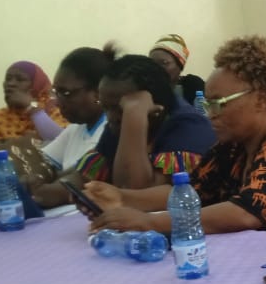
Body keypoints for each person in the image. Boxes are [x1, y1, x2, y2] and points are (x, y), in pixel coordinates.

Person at [88, 36, 266, 237]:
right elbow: (189, 193)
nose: (210, 114)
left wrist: (149, 221)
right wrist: (122, 198)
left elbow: (246, 213)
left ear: (260, 100)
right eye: (208, 104)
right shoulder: (231, 147)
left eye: (219, 103)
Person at [74, 54, 215, 188]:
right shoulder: (117, 123)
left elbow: (133, 188)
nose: (110, 118)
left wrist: (134, 115)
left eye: (120, 109)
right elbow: (84, 178)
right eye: (105, 107)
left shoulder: (189, 125)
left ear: (155, 107)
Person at [30, 46, 116, 207]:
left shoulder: (110, 131)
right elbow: (40, 163)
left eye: (66, 93)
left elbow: (73, 183)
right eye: (56, 91)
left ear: (98, 93)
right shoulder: (76, 129)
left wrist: (40, 182)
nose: (56, 101)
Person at [0, 61, 67, 142]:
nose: (11, 84)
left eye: (20, 79)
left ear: (36, 84)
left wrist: (31, 106)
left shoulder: (56, 110)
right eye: (8, 79)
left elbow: (63, 144)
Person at [149, 34, 205, 105]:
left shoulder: (194, 85)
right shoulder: (145, 90)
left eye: (164, 63)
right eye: (151, 63)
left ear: (180, 66)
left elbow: (202, 112)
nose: (155, 68)